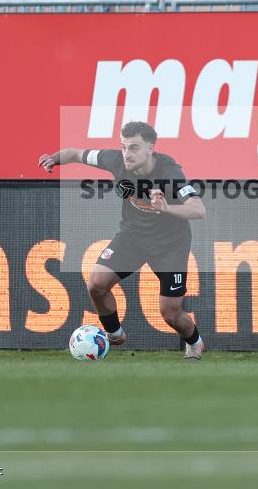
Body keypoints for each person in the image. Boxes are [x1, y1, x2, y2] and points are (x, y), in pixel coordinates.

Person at [38, 121, 207, 360]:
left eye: (134, 148)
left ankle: (195, 342)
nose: (127, 154)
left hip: (170, 246)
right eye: (124, 146)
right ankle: (114, 334)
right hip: (133, 238)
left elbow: (199, 210)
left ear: (150, 148)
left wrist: (167, 207)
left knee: (170, 313)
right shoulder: (115, 160)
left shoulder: (170, 173)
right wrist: (54, 158)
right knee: (96, 284)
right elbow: (76, 153)